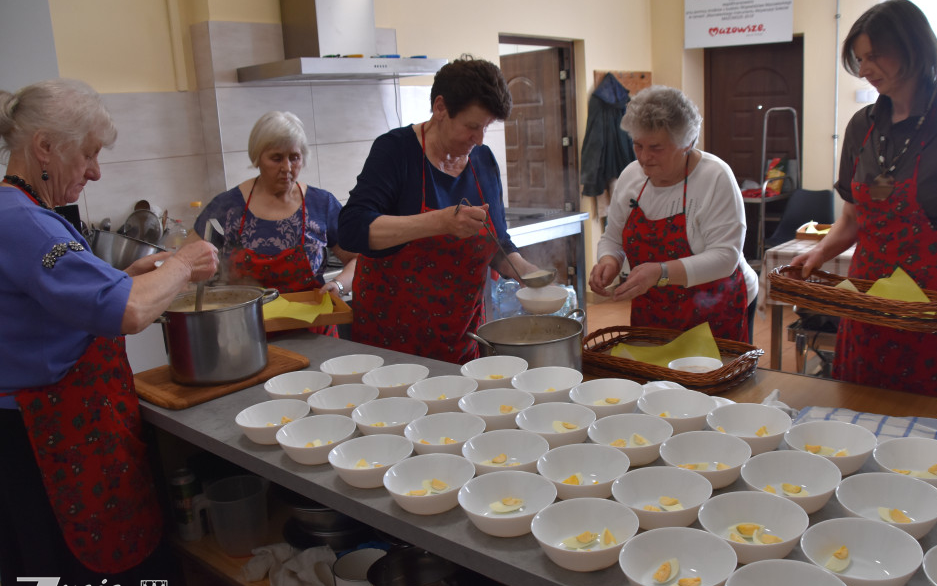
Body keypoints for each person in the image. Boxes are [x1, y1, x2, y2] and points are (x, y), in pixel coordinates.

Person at [0, 79, 219, 586]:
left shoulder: (26, 213)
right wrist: (184, 262)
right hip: (45, 439)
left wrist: (129, 275)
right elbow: (126, 314)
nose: (96, 171)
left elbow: (55, 305)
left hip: (50, 429)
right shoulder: (22, 221)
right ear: (45, 147)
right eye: (89, 152)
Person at [791, 0, 937, 402]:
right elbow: (852, 220)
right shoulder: (861, 127)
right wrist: (820, 252)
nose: (865, 69)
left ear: (913, 48)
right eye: (859, 59)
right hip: (868, 298)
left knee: (935, 419)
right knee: (861, 405)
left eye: (874, 56)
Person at [337, 55, 540, 364]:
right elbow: (352, 228)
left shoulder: (483, 161)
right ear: (441, 108)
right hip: (393, 339)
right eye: (472, 127)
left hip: (462, 335)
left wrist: (526, 270)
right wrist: (440, 222)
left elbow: (496, 240)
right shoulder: (396, 151)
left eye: (485, 128)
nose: (479, 139)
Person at [589, 85, 759, 342]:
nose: (644, 157)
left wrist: (660, 272)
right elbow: (612, 237)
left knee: (708, 379)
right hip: (653, 309)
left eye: (656, 147)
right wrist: (609, 261)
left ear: (686, 143)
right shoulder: (631, 176)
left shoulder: (715, 177)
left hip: (716, 307)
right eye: (638, 145)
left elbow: (726, 257)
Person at [192, 111, 357, 336]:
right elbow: (187, 261)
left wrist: (338, 285)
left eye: (294, 158)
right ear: (258, 157)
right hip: (247, 334)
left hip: (314, 332)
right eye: (277, 158)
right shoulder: (228, 207)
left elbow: (358, 260)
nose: (287, 168)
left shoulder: (321, 204)